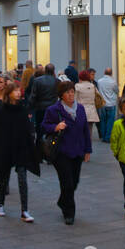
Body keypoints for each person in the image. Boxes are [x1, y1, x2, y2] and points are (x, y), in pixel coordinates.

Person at [43, 81, 92, 224]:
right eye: (68, 92)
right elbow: (44, 125)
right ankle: (69, 212)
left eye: (72, 92)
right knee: (67, 183)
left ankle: (62, 201)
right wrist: (55, 127)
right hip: (61, 152)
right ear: (61, 95)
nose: (71, 95)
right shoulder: (54, 110)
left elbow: (85, 131)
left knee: (74, 181)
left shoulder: (81, 109)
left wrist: (87, 149)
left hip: (77, 151)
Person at [0, 81, 37, 221]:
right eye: (15, 91)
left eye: (19, 90)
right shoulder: (2, 110)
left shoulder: (22, 109)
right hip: (6, 147)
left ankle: (25, 210)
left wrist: (30, 142)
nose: (18, 93)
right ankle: (0, 203)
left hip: (20, 147)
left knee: (23, 178)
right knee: (4, 177)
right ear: (9, 94)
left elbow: (27, 128)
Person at [75, 70, 100, 147]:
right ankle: (88, 149)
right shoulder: (93, 86)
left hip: (81, 111)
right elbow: (98, 96)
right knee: (89, 132)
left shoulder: (77, 86)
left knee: (80, 132)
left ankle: (81, 149)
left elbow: (75, 100)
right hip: (91, 111)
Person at [96, 68, 120, 142]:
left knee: (103, 120)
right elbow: (117, 91)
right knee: (110, 121)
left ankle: (103, 136)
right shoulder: (113, 82)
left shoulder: (99, 81)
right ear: (111, 73)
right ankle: (108, 137)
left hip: (102, 104)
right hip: (111, 104)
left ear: (104, 72)